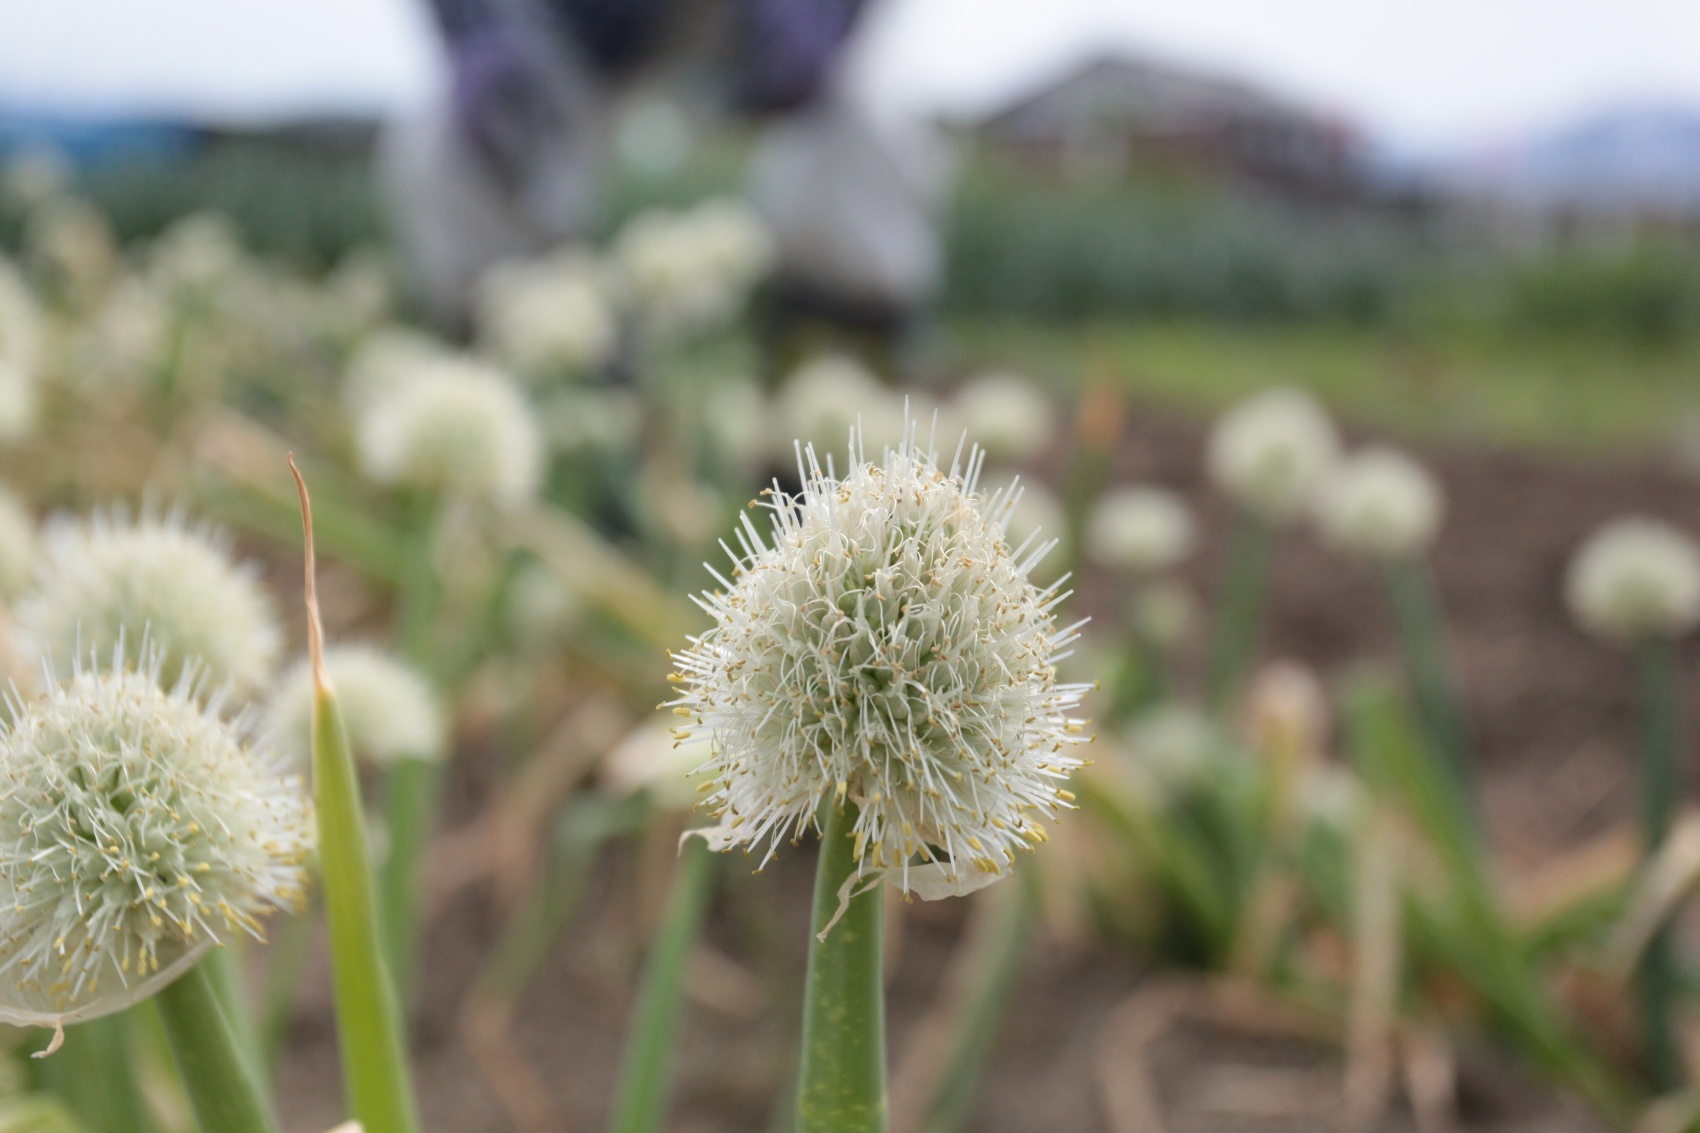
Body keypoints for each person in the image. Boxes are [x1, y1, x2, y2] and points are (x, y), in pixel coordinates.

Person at [383, 0, 949, 370]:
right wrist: (474, 27)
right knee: (440, 145)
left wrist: (833, 13)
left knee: (873, 109)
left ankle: (830, 379)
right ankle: (550, 391)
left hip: (744, 18)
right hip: (570, 26)